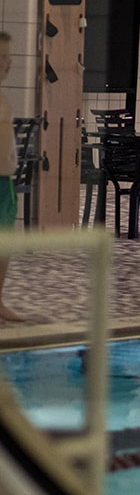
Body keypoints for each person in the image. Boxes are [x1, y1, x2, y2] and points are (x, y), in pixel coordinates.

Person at [0, 31, 27, 322]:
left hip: (3, 182)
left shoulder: (4, 99)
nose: (9, 62)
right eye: (2, 56)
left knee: (4, 242)